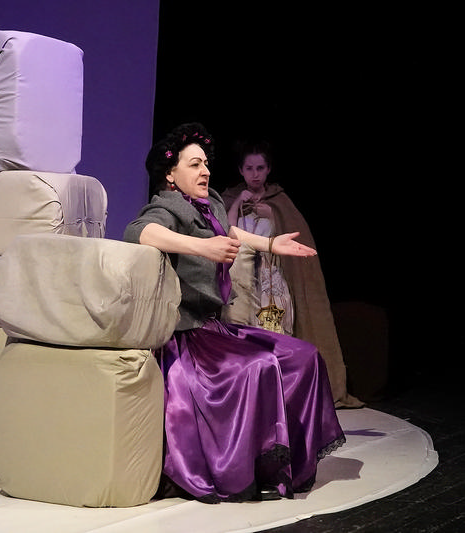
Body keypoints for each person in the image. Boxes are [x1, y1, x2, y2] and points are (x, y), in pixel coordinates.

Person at [123, 123, 345, 504]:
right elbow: (138, 232)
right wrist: (202, 248)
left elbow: (230, 232)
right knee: (258, 365)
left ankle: (283, 462)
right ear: (171, 175)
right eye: (194, 165)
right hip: (188, 339)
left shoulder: (208, 203)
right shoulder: (167, 207)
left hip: (215, 330)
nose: (205, 171)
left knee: (303, 356)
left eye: (206, 163)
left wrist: (271, 244)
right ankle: (249, 470)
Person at [222, 141, 364, 408]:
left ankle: (283, 395)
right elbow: (225, 231)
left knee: (277, 332)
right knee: (246, 334)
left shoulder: (279, 201)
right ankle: (251, 397)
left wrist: (271, 215)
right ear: (241, 170)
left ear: (268, 169)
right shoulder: (230, 198)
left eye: (260, 168)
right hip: (243, 279)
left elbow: (290, 234)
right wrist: (237, 203)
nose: (255, 174)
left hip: (272, 278)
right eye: (249, 168)